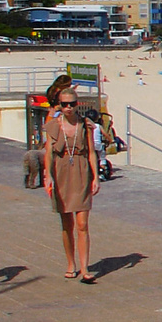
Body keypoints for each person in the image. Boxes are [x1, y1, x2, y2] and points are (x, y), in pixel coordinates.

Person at [43, 86, 100, 282]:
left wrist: (96, 176)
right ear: (60, 105)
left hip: (81, 169)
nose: (68, 108)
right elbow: (49, 153)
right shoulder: (53, 125)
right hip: (61, 172)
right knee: (66, 224)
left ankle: (85, 268)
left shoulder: (85, 125)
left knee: (82, 224)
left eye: (72, 104)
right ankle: (70, 263)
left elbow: (92, 152)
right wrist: (47, 175)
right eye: (64, 104)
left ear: (77, 105)